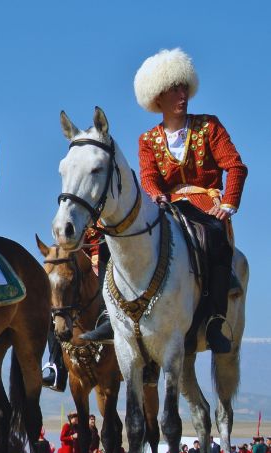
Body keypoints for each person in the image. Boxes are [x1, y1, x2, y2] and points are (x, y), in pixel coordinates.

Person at [83, 49, 247, 354]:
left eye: (183, 87)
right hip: (166, 207)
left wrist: (227, 204)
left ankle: (214, 320)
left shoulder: (209, 126)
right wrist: (156, 194)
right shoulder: (147, 140)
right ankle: (110, 316)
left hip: (203, 205)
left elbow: (235, 166)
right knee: (111, 240)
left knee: (215, 239)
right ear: (158, 98)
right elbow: (148, 177)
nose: (181, 95)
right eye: (174, 89)